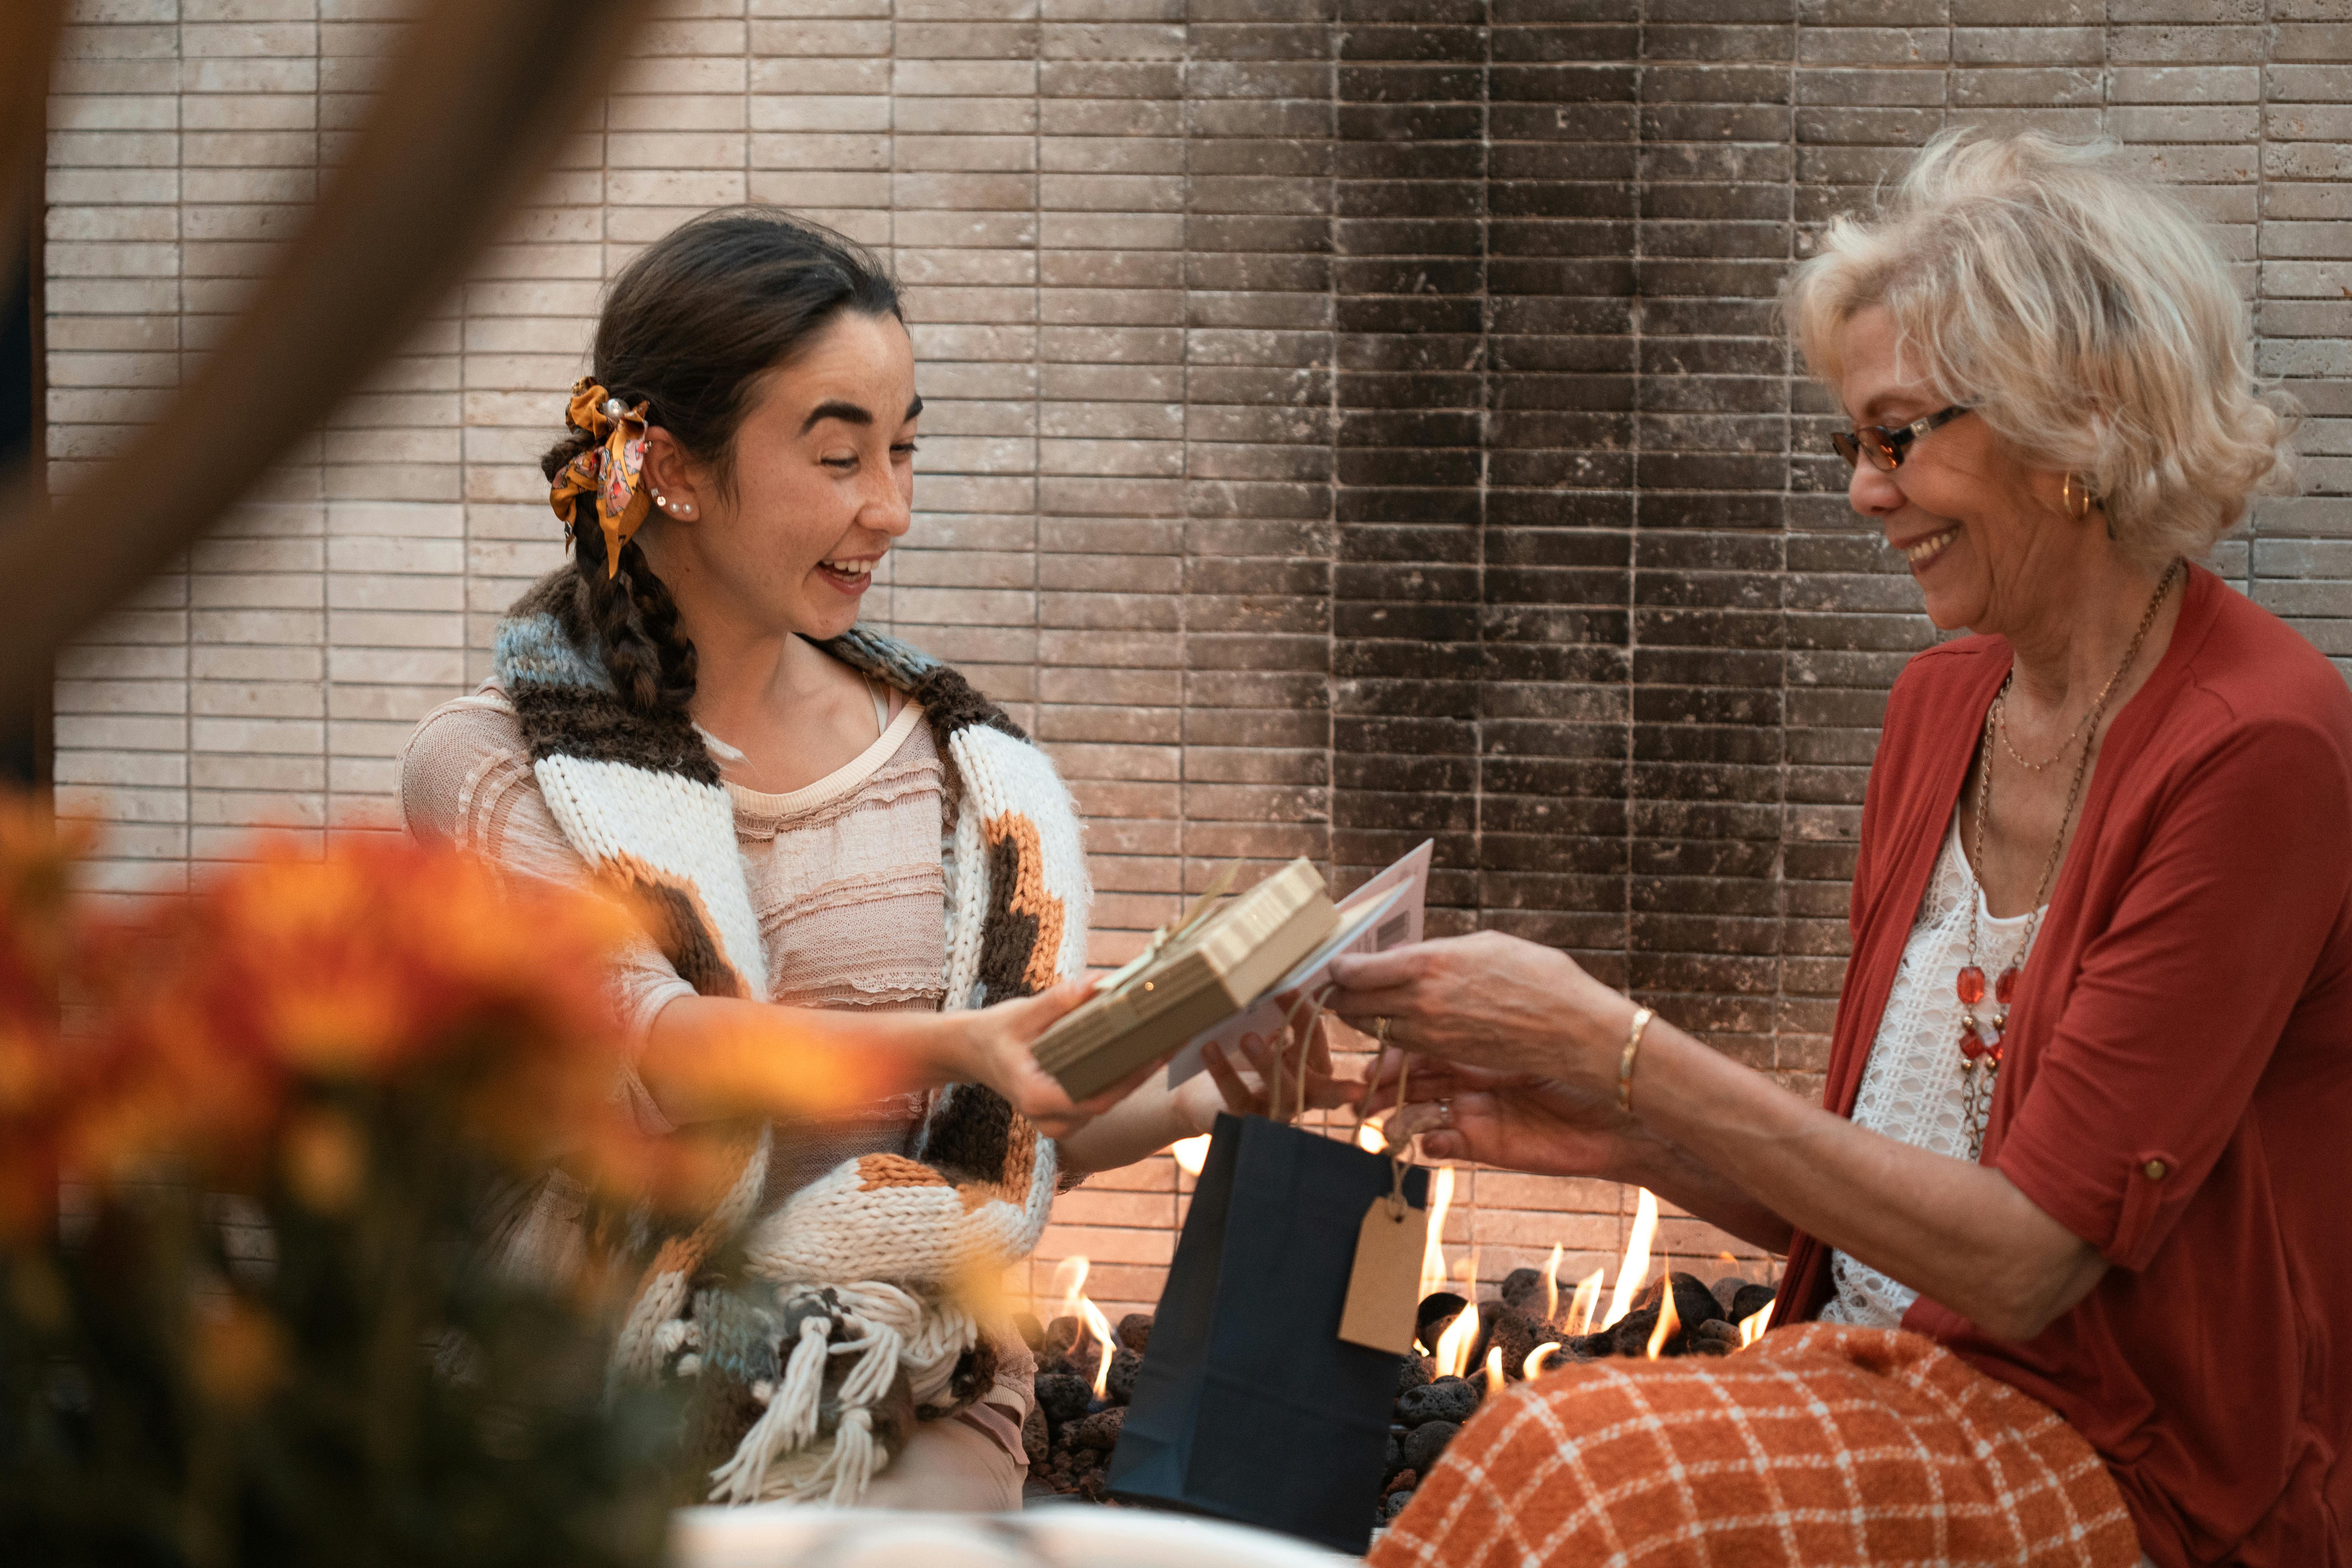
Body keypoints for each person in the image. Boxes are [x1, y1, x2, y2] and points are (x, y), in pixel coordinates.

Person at [1335, 131, 2347, 1567]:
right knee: (1554, 1456)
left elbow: (2026, 1261)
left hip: (2132, 1461)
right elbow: (1901, 1195)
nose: (1866, 492)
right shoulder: (1943, 709)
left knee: (1578, 1469)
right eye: (1850, 445)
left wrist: (1616, 1043)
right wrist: (1622, 1132)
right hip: (1894, 1375)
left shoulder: (2259, 749)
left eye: (1897, 436)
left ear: (2072, 427)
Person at [399, 211, 1351, 1511]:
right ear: (669, 467)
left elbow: (1001, 1134)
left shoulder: (971, 776)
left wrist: (1207, 1093)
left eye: (904, 451)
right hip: (581, 1389)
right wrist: (957, 1043)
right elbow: (653, 1053)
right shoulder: (492, 765)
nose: (890, 510)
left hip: (913, 1379)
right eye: (841, 456)